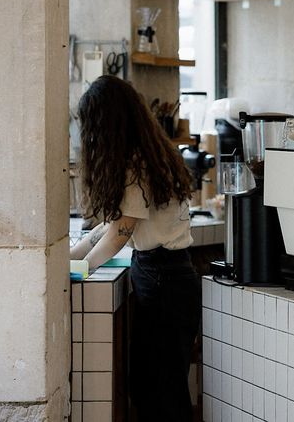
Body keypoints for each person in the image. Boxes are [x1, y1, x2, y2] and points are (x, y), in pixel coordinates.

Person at [70, 75, 199, 421]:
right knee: (152, 386)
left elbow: (119, 234)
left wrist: (81, 269)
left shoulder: (135, 165)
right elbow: (110, 226)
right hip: (162, 275)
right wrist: (69, 256)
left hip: (164, 280)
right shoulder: (149, 154)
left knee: (162, 390)